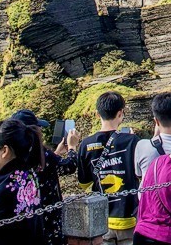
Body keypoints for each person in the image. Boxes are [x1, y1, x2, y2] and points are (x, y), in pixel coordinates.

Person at [63, 91, 149, 243]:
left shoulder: (86, 144)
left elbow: (84, 184)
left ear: (97, 114)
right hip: (129, 216)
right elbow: (142, 175)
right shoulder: (132, 141)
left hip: (101, 217)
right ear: (120, 113)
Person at [9, 109, 65, 245]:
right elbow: (68, 166)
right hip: (49, 216)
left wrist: (56, 153)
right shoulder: (43, 153)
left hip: (25, 218)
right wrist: (73, 147)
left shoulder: (13, 155)